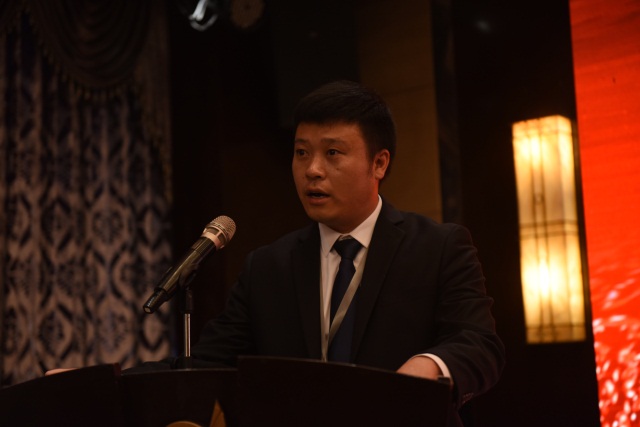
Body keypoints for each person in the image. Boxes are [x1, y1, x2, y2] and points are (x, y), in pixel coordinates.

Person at [152, 80, 504, 425]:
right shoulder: (268, 267)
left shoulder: (438, 248)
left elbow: (479, 344)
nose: (312, 170)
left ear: (379, 164)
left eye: (332, 153)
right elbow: (206, 365)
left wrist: (429, 366)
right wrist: (126, 381)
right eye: (301, 153)